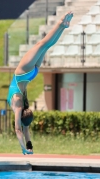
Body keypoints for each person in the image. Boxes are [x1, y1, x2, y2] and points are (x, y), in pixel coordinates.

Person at [7, 11, 73, 155]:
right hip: (23, 73)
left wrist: (25, 148)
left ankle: (62, 25)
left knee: (44, 45)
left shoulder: (21, 106)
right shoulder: (18, 105)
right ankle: (61, 24)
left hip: (31, 74)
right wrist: (26, 146)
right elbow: (21, 128)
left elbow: (21, 128)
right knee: (42, 44)